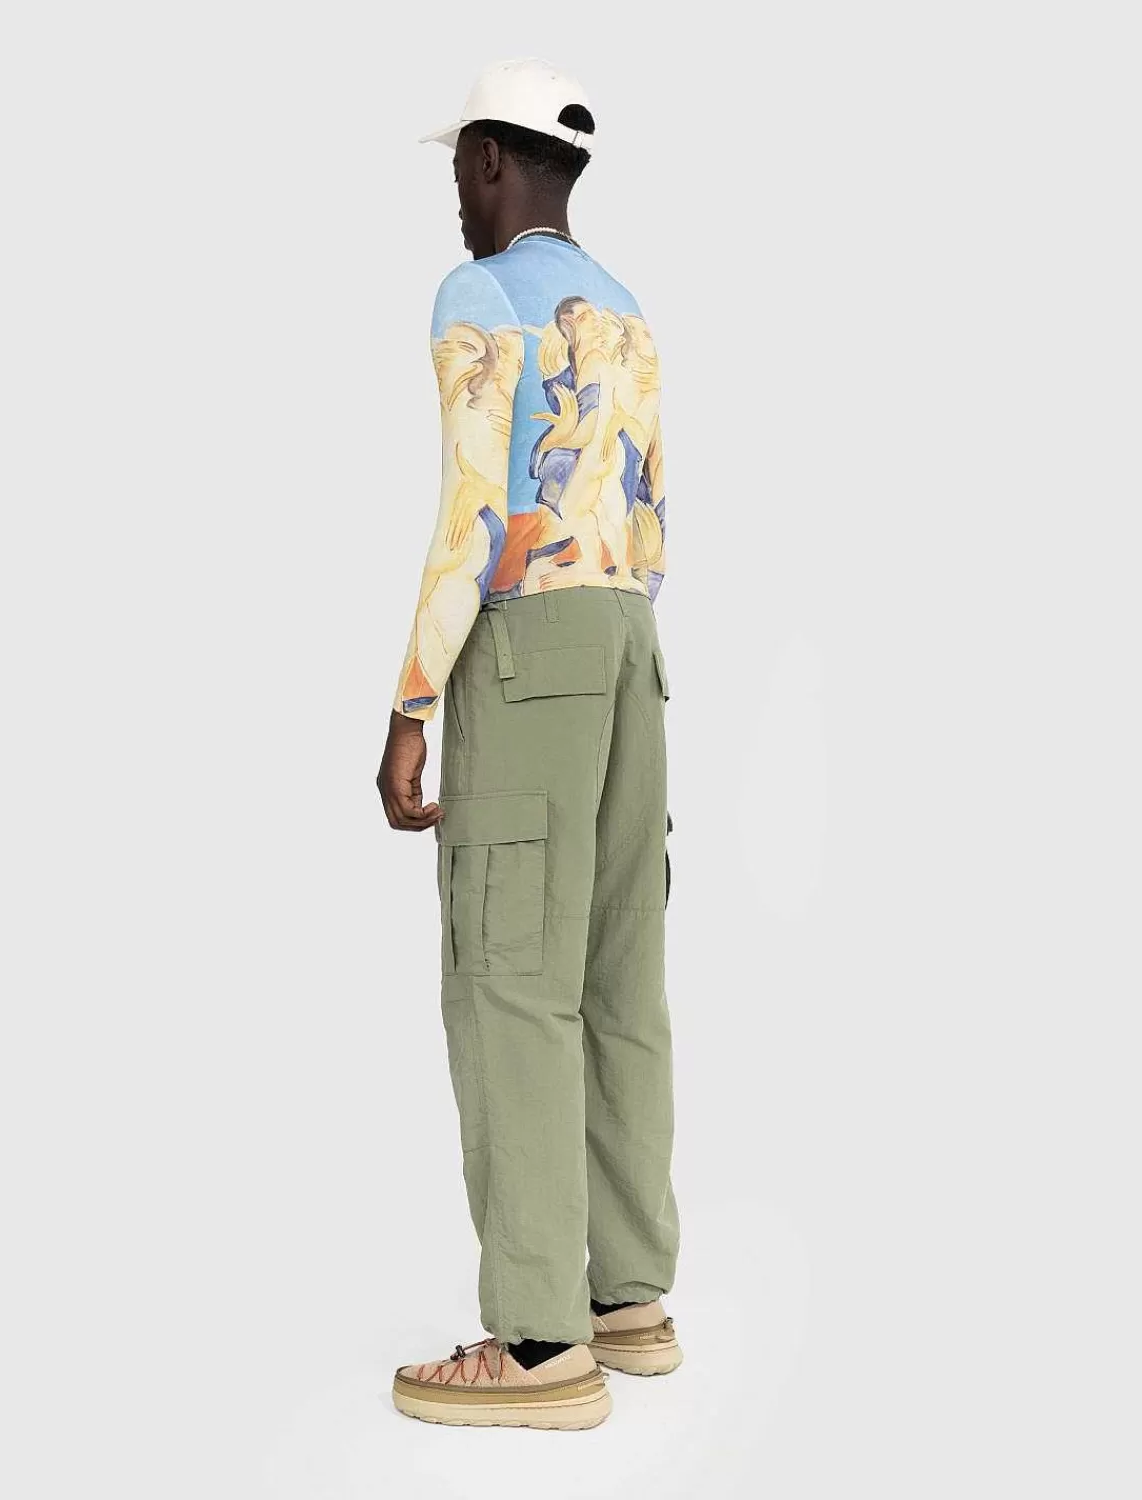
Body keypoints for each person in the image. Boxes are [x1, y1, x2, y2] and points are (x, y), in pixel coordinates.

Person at [376, 58, 680, 1431]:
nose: (457, 186)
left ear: (492, 163)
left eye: (462, 163)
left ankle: (544, 1341)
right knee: (619, 977)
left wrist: (413, 706)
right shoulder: (626, 309)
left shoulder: (476, 294)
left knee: (510, 979)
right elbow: (651, 510)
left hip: (527, 643)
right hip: (631, 645)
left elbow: (472, 512)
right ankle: (632, 1302)